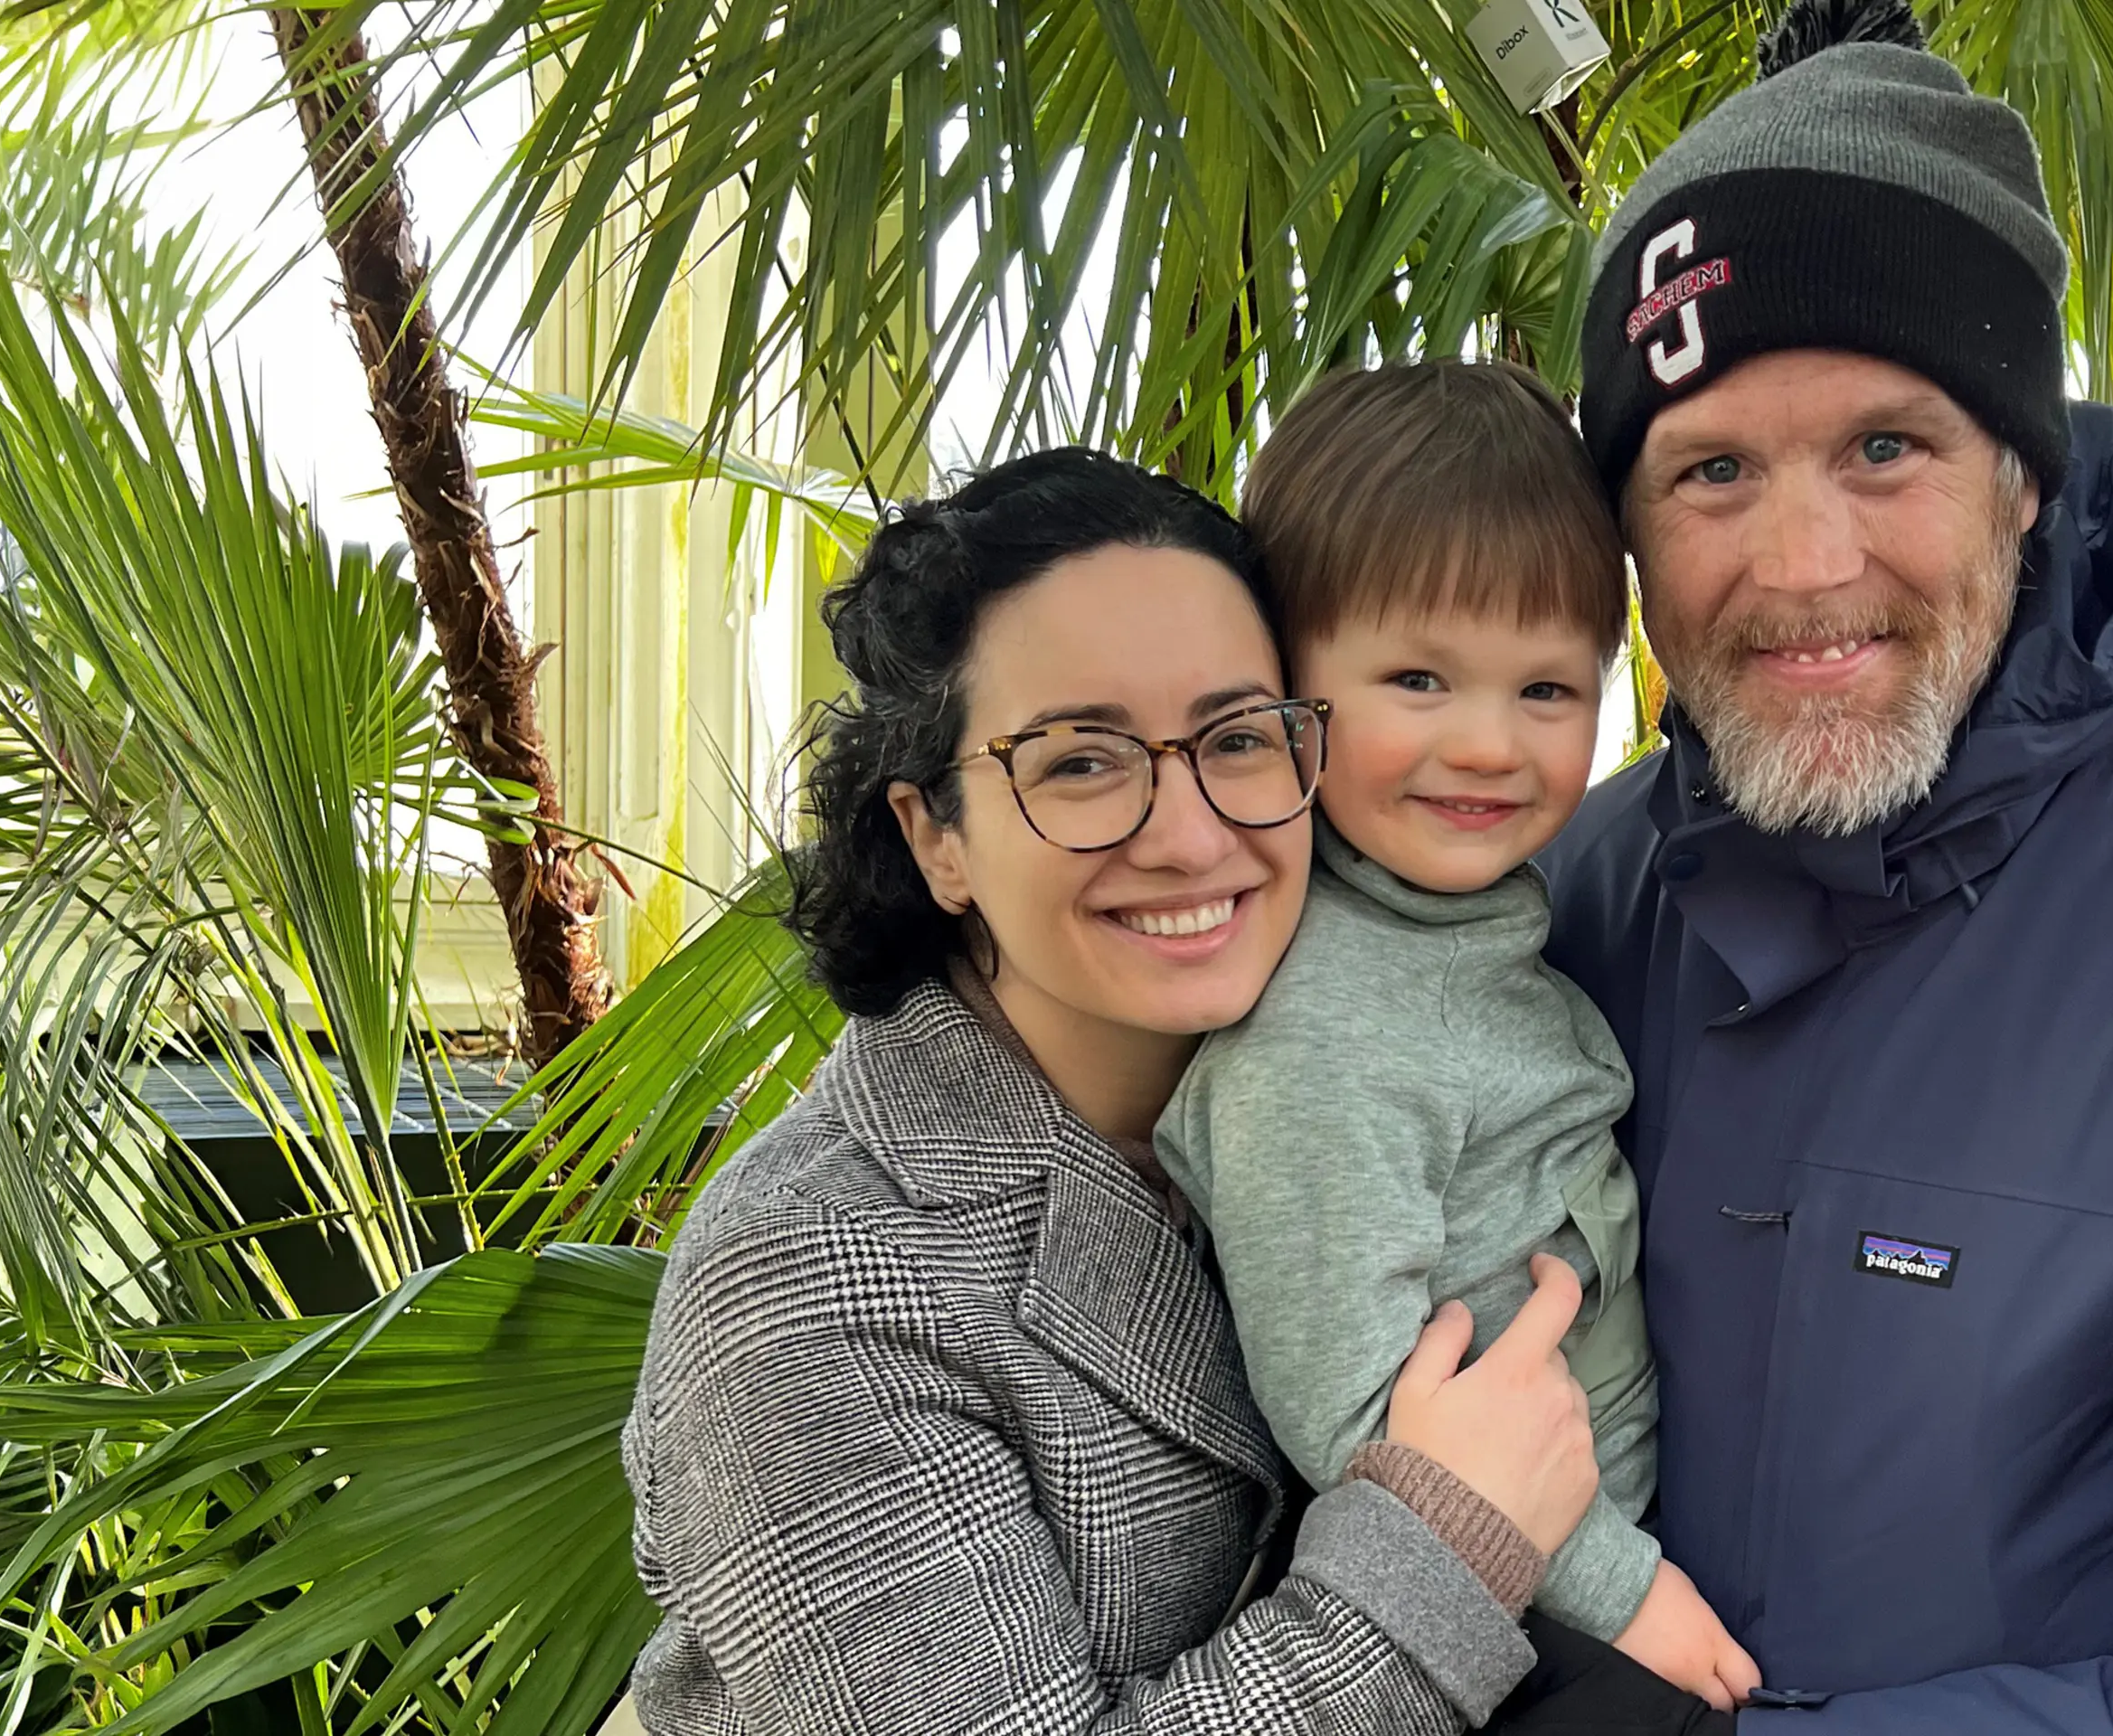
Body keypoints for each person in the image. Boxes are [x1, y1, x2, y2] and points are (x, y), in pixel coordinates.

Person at [1511, 0, 2113, 1727]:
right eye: (1711, 471)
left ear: (2024, 480)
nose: (1802, 559)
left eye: (1885, 450)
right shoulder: (1560, 904)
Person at [620, 448, 1608, 1733]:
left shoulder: (1367, 1072)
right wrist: (1444, 1552)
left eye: (1238, 738)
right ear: (937, 837)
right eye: (1081, 763)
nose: (1190, 832)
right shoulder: (810, 1279)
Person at [1152, 360, 1757, 1711]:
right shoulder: (1325, 1027)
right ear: (1282, 685)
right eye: (1419, 677)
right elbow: (1346, 1398)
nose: (1489, 745)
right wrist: (1621, 1589)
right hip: (1504, 1634)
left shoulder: (1472, 935)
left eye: (1546, 690)